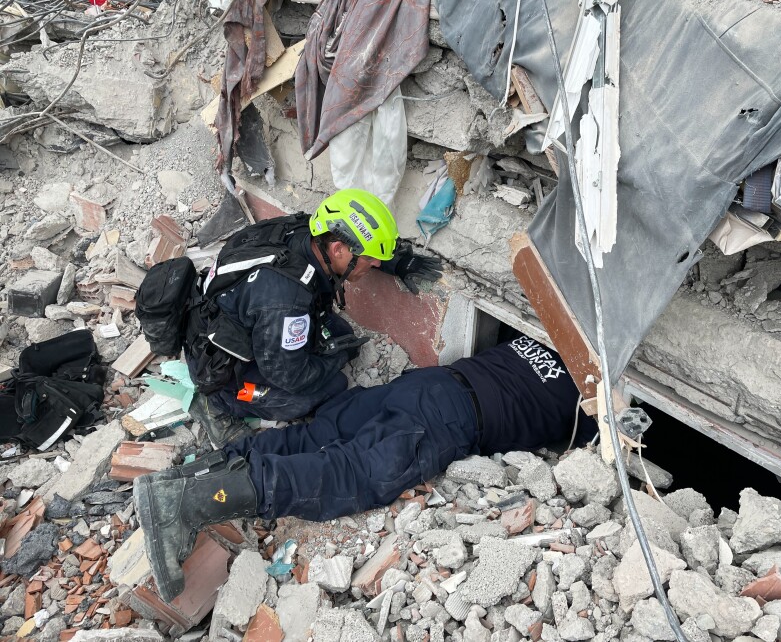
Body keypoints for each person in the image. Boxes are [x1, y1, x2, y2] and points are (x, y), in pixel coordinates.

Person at [134, 334, 598, 602]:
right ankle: (191, 504)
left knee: (315, 435)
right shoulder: (594, 397)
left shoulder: (545, 334)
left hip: (427, 382)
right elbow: (600, 457)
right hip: (453, 417)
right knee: (355, 472)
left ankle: (184, 477)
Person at [183, 189, 442, 449]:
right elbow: (290, 377)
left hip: (231, 315)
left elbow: (356, 251)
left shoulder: (309, 230)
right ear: (338, 249)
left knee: (339, 334)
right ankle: (217, 404)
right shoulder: (286, 302)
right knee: (327, 387)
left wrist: (396, 262)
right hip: (221, 364)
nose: (374, 264)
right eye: (370, 259)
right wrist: (336, 358)